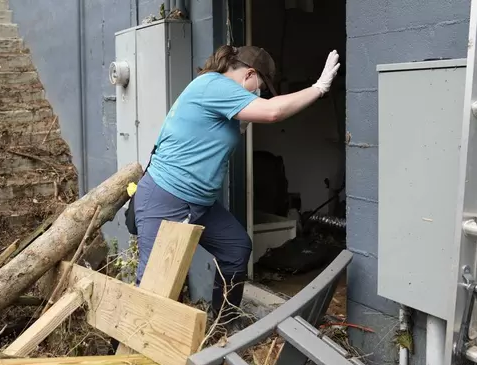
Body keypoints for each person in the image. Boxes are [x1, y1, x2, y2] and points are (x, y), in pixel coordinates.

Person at [133, 44, 340, 327]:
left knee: (235, 249)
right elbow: (272, 113)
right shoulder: (213, 84)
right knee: (155, 283)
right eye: (260, 87)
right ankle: (130, 356)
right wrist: (319, 88)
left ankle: (222, 327)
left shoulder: (221, 95)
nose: (260, 94)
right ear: (249, 74)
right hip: (167, 195)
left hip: (200, 202)